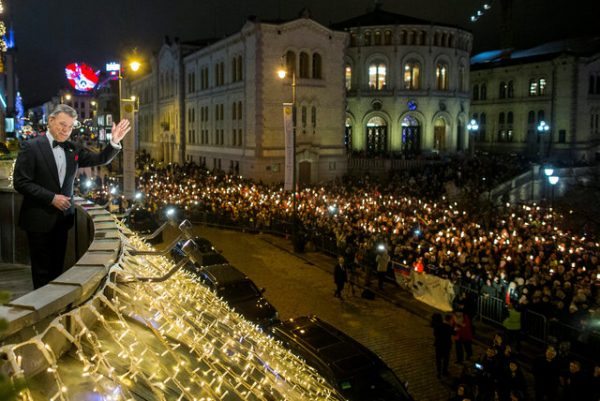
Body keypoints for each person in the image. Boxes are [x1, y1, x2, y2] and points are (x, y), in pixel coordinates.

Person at [13, 104, 131, 289]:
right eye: (62, 124)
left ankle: (56, 309)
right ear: (50, 121)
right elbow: (20, 182)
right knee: (42, 271)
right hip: (38, 218)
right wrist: (52, 198)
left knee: (58, 268)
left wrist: (114, 141)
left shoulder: (72, 149)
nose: (66, 130)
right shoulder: (31, 147)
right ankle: (44, 309)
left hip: (63, 219)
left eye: (70, 126)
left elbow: (99, 159)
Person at [432, 313, 453, 379]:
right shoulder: (448, 327)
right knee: (446, 359)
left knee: (438, 359)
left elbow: (435, 334)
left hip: (439, 345)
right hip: (446, 345)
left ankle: (439, 372)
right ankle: (444, 371)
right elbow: (452, 333)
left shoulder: (437, 326)